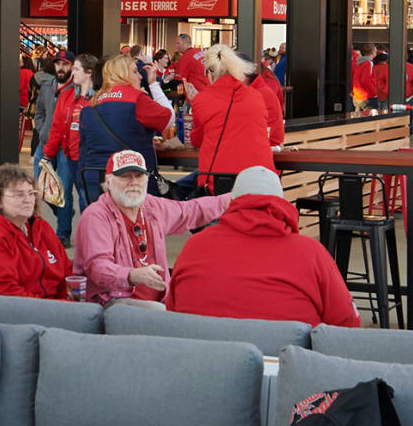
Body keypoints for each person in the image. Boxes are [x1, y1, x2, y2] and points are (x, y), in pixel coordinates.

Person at [164, 167, 359, 327]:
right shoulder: (311, 253)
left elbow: (173, 313)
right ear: (281, 204)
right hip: (287, 366)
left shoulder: (195, 247)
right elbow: (346, 324)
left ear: (231, 202)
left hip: (205, 365)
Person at [73, 150, 231, 305]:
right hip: (113, 301)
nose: (133, 182)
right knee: (164, 315)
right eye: (125, 176)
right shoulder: (96, 216)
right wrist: (132, 275)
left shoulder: (151, 206)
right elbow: (97, 268)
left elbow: (191, 210)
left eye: (139, 176)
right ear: (108, 182)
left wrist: (232, 198)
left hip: (160, 297)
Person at [0, 164, 72, 299]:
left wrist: (69, 299)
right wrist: (58, 308)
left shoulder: (40, 227)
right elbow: (2, 293)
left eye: (31, 193)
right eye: (19, 194)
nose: (28, 199)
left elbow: (67, 272)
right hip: (18, 312)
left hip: (53, 305)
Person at [79, 53, 176, 204]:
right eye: (135, 71)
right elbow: (169, 118)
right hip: (130, 177)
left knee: (102, 225)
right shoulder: (136, 99)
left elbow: (83, 148)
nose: (140, 77)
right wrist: (153, 84)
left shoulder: (91, 104)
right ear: (122, 74)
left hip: (94, 177)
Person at [186, 47, 282, 194]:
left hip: (219, 183)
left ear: (210, 72)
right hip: (260, 180)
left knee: (182, 190)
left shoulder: (202, 100)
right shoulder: (256, 96)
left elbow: (197, 141)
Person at [41, 54, 99, 239]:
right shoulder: (66, 96)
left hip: (89, 160)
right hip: (68, 156)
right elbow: (57, 128)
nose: (72, 73)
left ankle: (91, 239)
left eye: (76, 69)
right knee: (62, 196)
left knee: (87, 202)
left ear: (89, 73)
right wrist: (47, 154)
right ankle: (63, 234)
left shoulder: (99, 98)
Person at [31, 53, 71, 168]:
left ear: (71, 67)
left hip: (65, 148)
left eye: (65, 64)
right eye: (58, 64)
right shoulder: (46, 87)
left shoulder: (76, 89)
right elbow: (39, 111)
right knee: (40, 182)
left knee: (63, 185)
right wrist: (43, 130)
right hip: (45, 143)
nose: (61, 68)